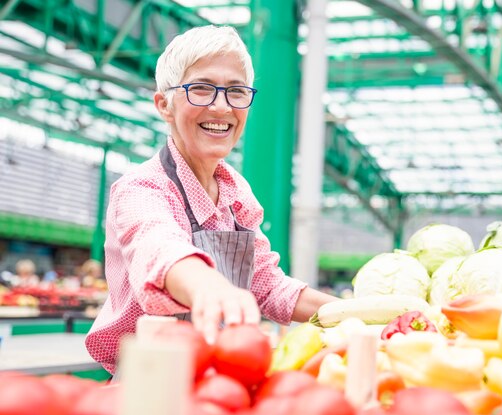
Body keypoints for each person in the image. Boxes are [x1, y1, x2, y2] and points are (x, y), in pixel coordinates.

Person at [85, 25, 337, 376]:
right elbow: (158, 246)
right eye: (201, 89)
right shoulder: (142, 188)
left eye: (236, 91)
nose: (221, 107)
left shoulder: (237, 193)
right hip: (148, 383)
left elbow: (267, 285)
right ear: (164, 105)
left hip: (221, 377)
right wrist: (206, 285)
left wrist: (352, 312)